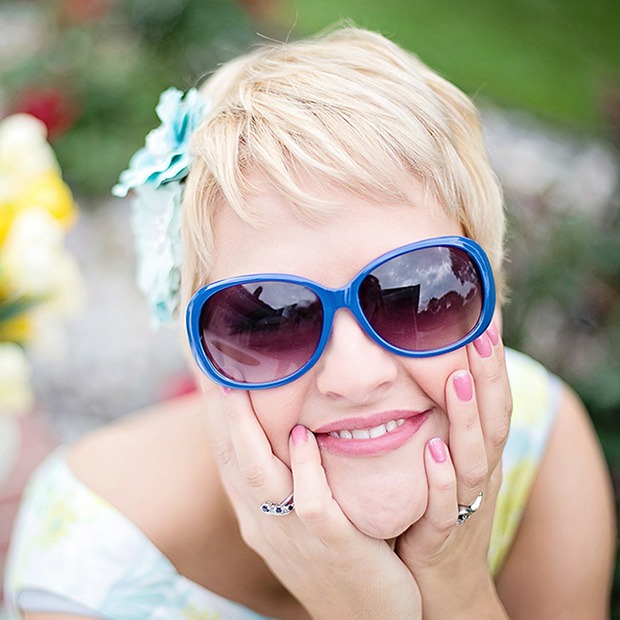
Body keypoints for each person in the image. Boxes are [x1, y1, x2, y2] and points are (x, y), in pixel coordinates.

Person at [4, 26, 615, 619]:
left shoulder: (544, 443)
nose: (354, 376)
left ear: (493, 297)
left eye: (414, 293)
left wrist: (456, 587)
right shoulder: (90, 574)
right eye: (270, 321)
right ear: (197, 353)